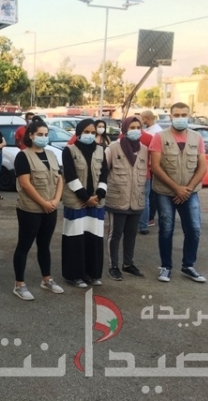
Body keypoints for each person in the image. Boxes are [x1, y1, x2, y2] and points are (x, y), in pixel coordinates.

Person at [150, 102, 208, 283]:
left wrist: (187, 189)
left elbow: (203, 166)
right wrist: (176, 188)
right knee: (166, 229)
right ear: (171, 116)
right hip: (165, 192)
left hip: (190, 192)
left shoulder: (197, 138)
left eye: (184, 115)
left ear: (189, 116)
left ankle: (188, 265)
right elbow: (155, 166)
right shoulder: (160, 137)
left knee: (194, 229)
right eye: (177, 115)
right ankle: (166, 266)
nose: (180, 118)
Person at [12, 121, 64, 300]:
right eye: (40, 134)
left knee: (44, 245)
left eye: (46, 134)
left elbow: (59, 179)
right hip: (30, 209)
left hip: (50, 208)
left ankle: (46, 279)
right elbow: (25, 184)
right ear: (31, 135)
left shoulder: (51, 155)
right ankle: (19, 284)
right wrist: (43, 203)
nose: (43, 138)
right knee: (24, 246)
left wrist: (56, 200)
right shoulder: (23, 156)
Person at [61, 119, 109, 288]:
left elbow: (104, 174)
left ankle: (93, 274)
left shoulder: (101, 150)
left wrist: (99, 195)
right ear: (79, 133)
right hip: (77, 202)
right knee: (75, 238)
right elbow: (70, 175)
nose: (90, 135)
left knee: (94, 238)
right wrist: (85, 198)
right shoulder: (69, 150)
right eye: (86, 132)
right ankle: (75, 275)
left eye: (93, 132)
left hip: (96, 202)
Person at [105, 116, 148, 281]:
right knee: (115, 234)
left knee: (131, 234)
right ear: (124, 129)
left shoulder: (144, 149)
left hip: (137, 199)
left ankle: (128, 264)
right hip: (118, 199)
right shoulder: (113, 148)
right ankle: (114, 266)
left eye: (138, 127)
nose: (136, 130)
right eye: (132, 127)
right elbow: (103, 171)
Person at [139, 110, 162, 231]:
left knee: (150, 195)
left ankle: (150, 218)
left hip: (151, 167)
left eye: (142, 118)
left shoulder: (156, 132)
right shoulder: (149, 131)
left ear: (147, 118)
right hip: (147, 167)